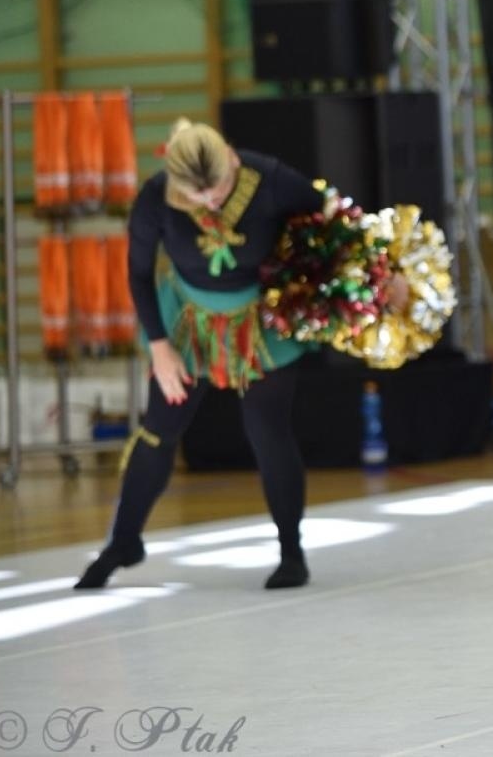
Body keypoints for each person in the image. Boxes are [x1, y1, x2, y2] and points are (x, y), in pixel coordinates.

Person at [77, 122, 327, 591]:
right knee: (158, 430)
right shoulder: (156, 198)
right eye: (196, 197)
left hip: (260, 324)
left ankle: (292, 552)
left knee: (267, 431)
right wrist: (159, 346)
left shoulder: (270, 180)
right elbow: (138, 276)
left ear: (232, 158)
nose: (210, 203)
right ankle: (123, 541)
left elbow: (334, 224)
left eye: (217, 192)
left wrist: (365, 281)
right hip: (187, 323)